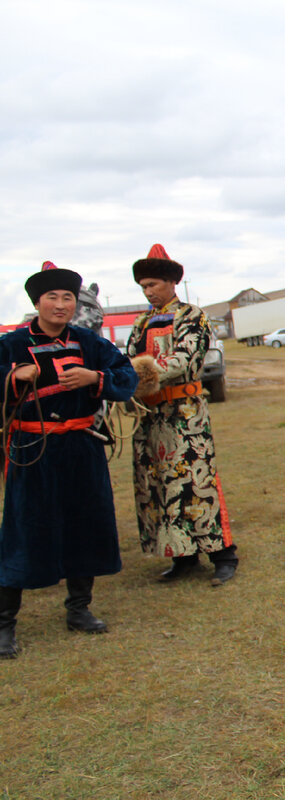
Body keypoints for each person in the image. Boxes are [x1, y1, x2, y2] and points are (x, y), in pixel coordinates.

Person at [0, 265, 138, 659]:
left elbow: (126, 376)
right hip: (31, 449)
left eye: (67, 298)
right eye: (52, 298)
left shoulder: (89, 343)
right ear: (37, 303)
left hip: (81, 446)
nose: (61, 305)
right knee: (23, 529)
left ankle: (79, 609)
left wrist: (95, 379)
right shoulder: (11, 344)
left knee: (85, 523)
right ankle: (5, 623)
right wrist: (12, 375)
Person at [126, 244, 239, 585]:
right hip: (151, 415)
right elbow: (130, 355)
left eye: (154, 285)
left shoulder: (192, 316)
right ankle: (183, 555)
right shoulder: (142, 321)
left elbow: (186, 360)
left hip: (184, 415)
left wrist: (140, 374)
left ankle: (223, 554)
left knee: (195, 481)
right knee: (160, 484)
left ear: (172, 283)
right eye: (144, 286)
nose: (149, 292)